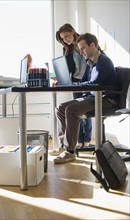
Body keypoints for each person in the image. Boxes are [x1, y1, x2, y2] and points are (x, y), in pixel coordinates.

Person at [53, 33, 118, 164]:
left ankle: (70, 151)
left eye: (83, 48)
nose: (81, 52)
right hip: (93, 98)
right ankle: (65, 144)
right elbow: (83, 82)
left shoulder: (104, 61)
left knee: (71, 110)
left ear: (92, 45)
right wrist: (67, 83)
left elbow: (94, 83)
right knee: (60, 108)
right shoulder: (90, 63)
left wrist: (76, 84)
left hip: (106, 100)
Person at [49, 24, 92, 156]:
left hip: (89, 81)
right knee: (75, 112)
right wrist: (58, 78)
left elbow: (96, 56)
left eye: (67, 36)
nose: (66, 40)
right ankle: (77, 140)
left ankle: (87, 140)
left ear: (73, 32)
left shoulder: (84, 42)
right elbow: (66, 68)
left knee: (85, 110)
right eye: (63, 38)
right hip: (76, 81)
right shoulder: (67, 49)